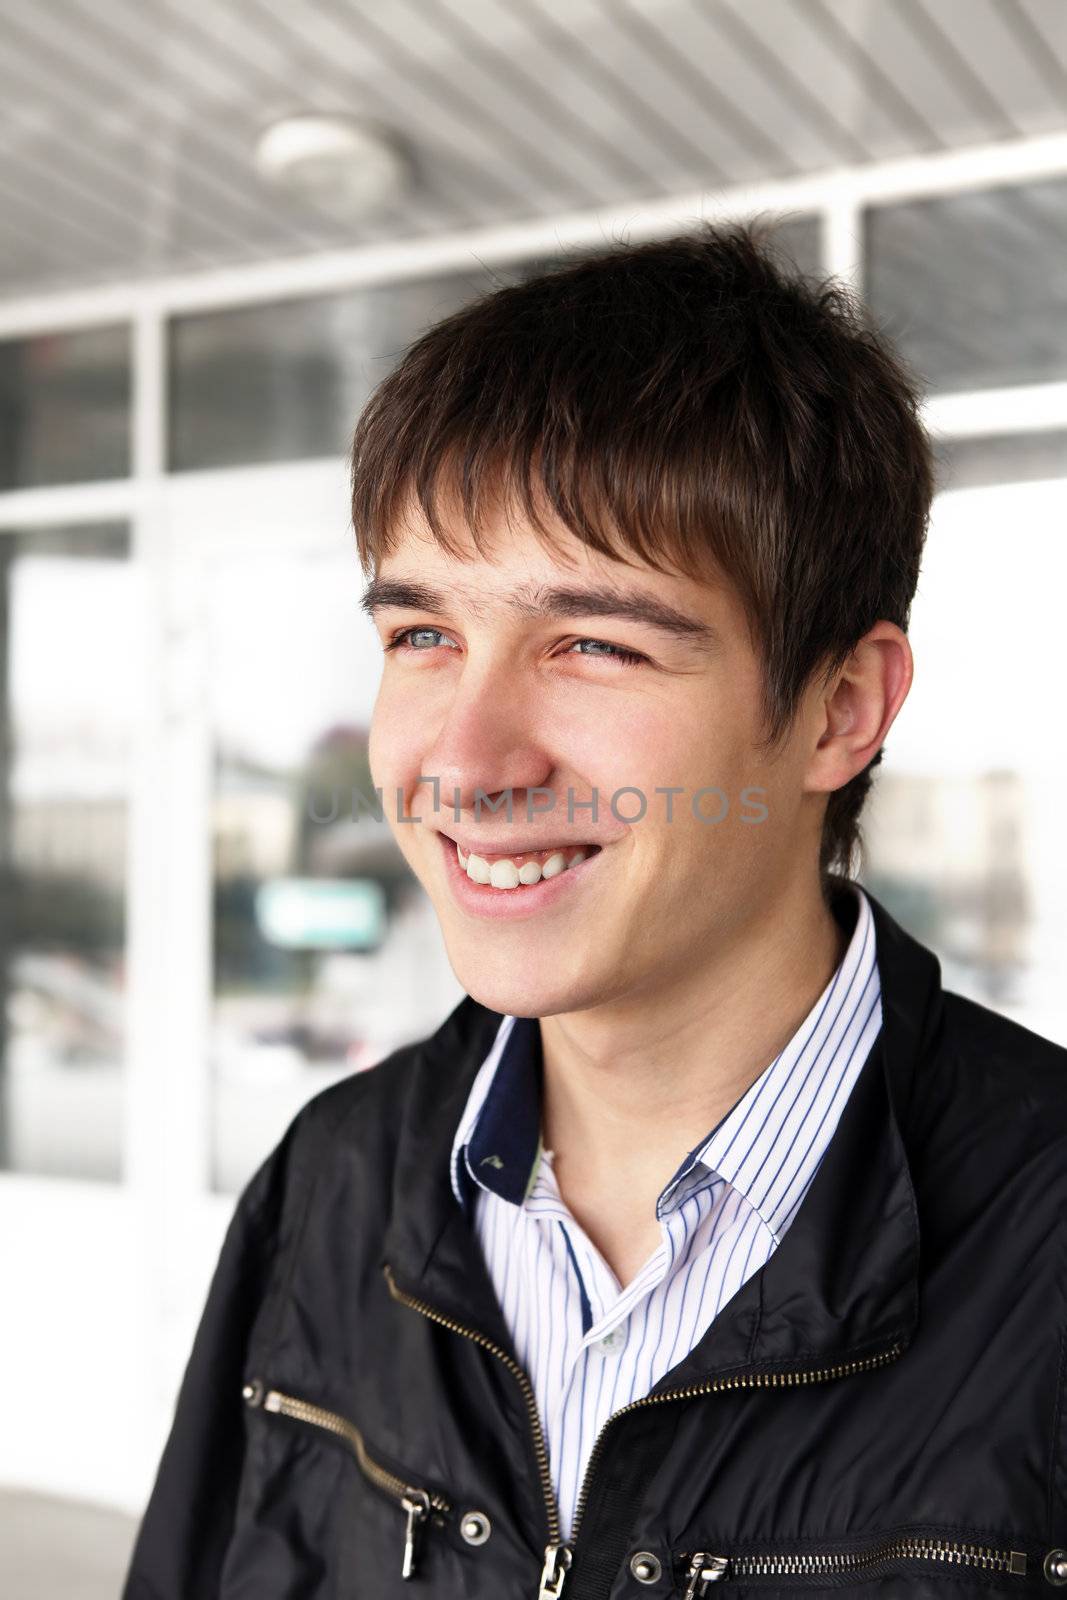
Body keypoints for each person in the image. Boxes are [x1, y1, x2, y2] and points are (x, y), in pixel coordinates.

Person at [121, 222, 1067, 1600]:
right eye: (423, 635)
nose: (464, 758)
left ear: (838, 709)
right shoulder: (328, 1185)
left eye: (595, 645)